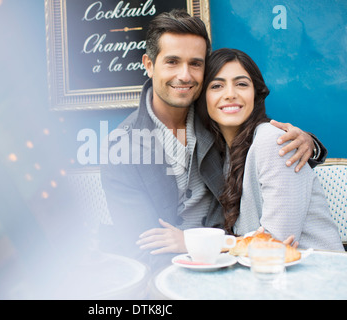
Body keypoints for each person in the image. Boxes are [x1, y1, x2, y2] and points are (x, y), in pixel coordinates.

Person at [99, 10, 328, 270]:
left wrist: (309, 143)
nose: (185, 75)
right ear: (149, 65)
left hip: (245, 266)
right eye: (172, 61)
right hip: (178, 270)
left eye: (195, 64)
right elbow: (144, 249)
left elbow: (266, 140)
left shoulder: (215, 116)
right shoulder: (122, 147)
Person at [196, 48, 343, 251]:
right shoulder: (225, 152)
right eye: (217, 86)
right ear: (203, 98)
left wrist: (199, 242)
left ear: (255, 94)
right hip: (268, 274)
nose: (230, 94)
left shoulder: (273, 140)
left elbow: (277, 242)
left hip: (316, 274)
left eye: (241, 84)